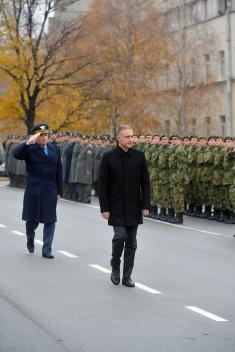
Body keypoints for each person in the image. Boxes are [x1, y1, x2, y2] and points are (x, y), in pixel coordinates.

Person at [98, 125, 151, 287]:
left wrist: (146, 205)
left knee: (132, 243)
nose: (131, 139)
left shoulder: (139, 156)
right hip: (116, 207)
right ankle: (115, 266)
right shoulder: (108, 157)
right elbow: (102, 184)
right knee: (120, 236)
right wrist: (104, 208)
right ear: (118, 138)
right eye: (127, 136)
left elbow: (145, 182)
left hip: (134, 207)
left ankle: (127, 276)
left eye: (132, 136)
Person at [13, 124, 63, 258]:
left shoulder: (55, 149)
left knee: (50, 220)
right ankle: (30, 237)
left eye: (46, 134)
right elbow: (16, 155)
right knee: (32, 220)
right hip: (34, 189)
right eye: (40, 135)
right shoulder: (29, 149)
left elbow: (59, 171)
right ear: (35, 136)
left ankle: (47, 249)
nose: (44, 137)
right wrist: (29, 142)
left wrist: (59, 191)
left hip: (50, 189)